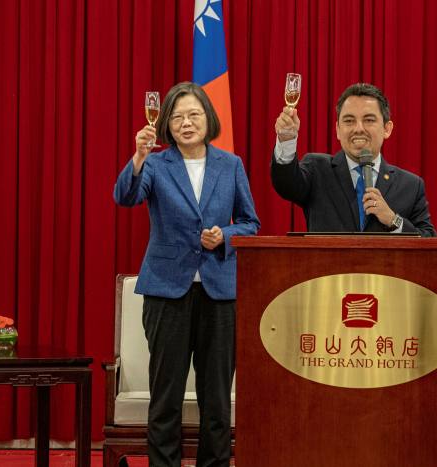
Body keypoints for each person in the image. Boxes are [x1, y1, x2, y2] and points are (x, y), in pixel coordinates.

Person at [114, 81, 259, 467]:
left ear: (208, 118)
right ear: (166, 125)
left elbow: (250, 223)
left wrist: (224, 236)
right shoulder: (157, 164)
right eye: (176, 117)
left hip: (219, 294)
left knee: (216, 400)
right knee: (166, 397)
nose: (186, 122)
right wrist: (139, 157)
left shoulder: (231, 164)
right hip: (166, 292)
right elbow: (125, 196)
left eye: (193, 114)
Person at [271, 82, 436, 237]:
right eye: (349, 121)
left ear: (387, 129)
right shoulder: (317, 169)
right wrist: (287, 140)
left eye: (369, 120)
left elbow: (429, 242)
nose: (358, 129)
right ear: (337, 129)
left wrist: (393, 220)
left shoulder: (411, 186)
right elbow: (286, 185)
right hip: (330, 268)